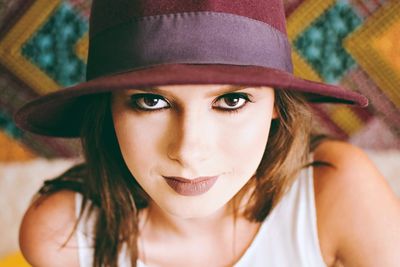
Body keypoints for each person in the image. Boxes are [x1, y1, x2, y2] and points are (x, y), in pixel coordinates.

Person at [15, 0, 400, 266]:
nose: (189, 151)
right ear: (108, 110)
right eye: (151, 102)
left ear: (276, 108)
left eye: (231, 101)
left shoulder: (337, 192)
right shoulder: (64, 236)